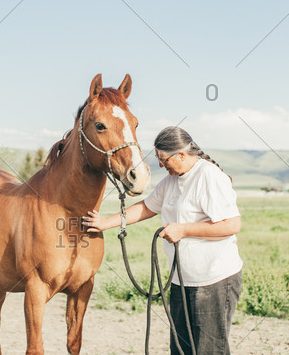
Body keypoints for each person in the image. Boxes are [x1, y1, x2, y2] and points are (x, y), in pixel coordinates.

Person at [83, 126, 243, 355]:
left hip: (214, 281)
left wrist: (183, 230)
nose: (160, 165)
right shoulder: (170, 181)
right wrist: (106, 223)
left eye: (163, 159)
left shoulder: (209, 176)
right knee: (180, 348)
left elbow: (232, 225)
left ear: (181, 154)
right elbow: (147, 207)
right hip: (181, 280)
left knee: (209, 350)